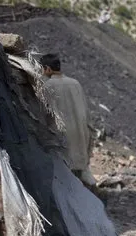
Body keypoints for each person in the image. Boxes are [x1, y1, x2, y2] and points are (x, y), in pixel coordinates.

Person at [40, 53, 96, 190]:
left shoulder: (47, 86)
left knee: (65, 186)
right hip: (81, 139)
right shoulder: (75, 83)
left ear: (47, 69)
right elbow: (87, 116)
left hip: (63, 141)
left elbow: (44, 115)